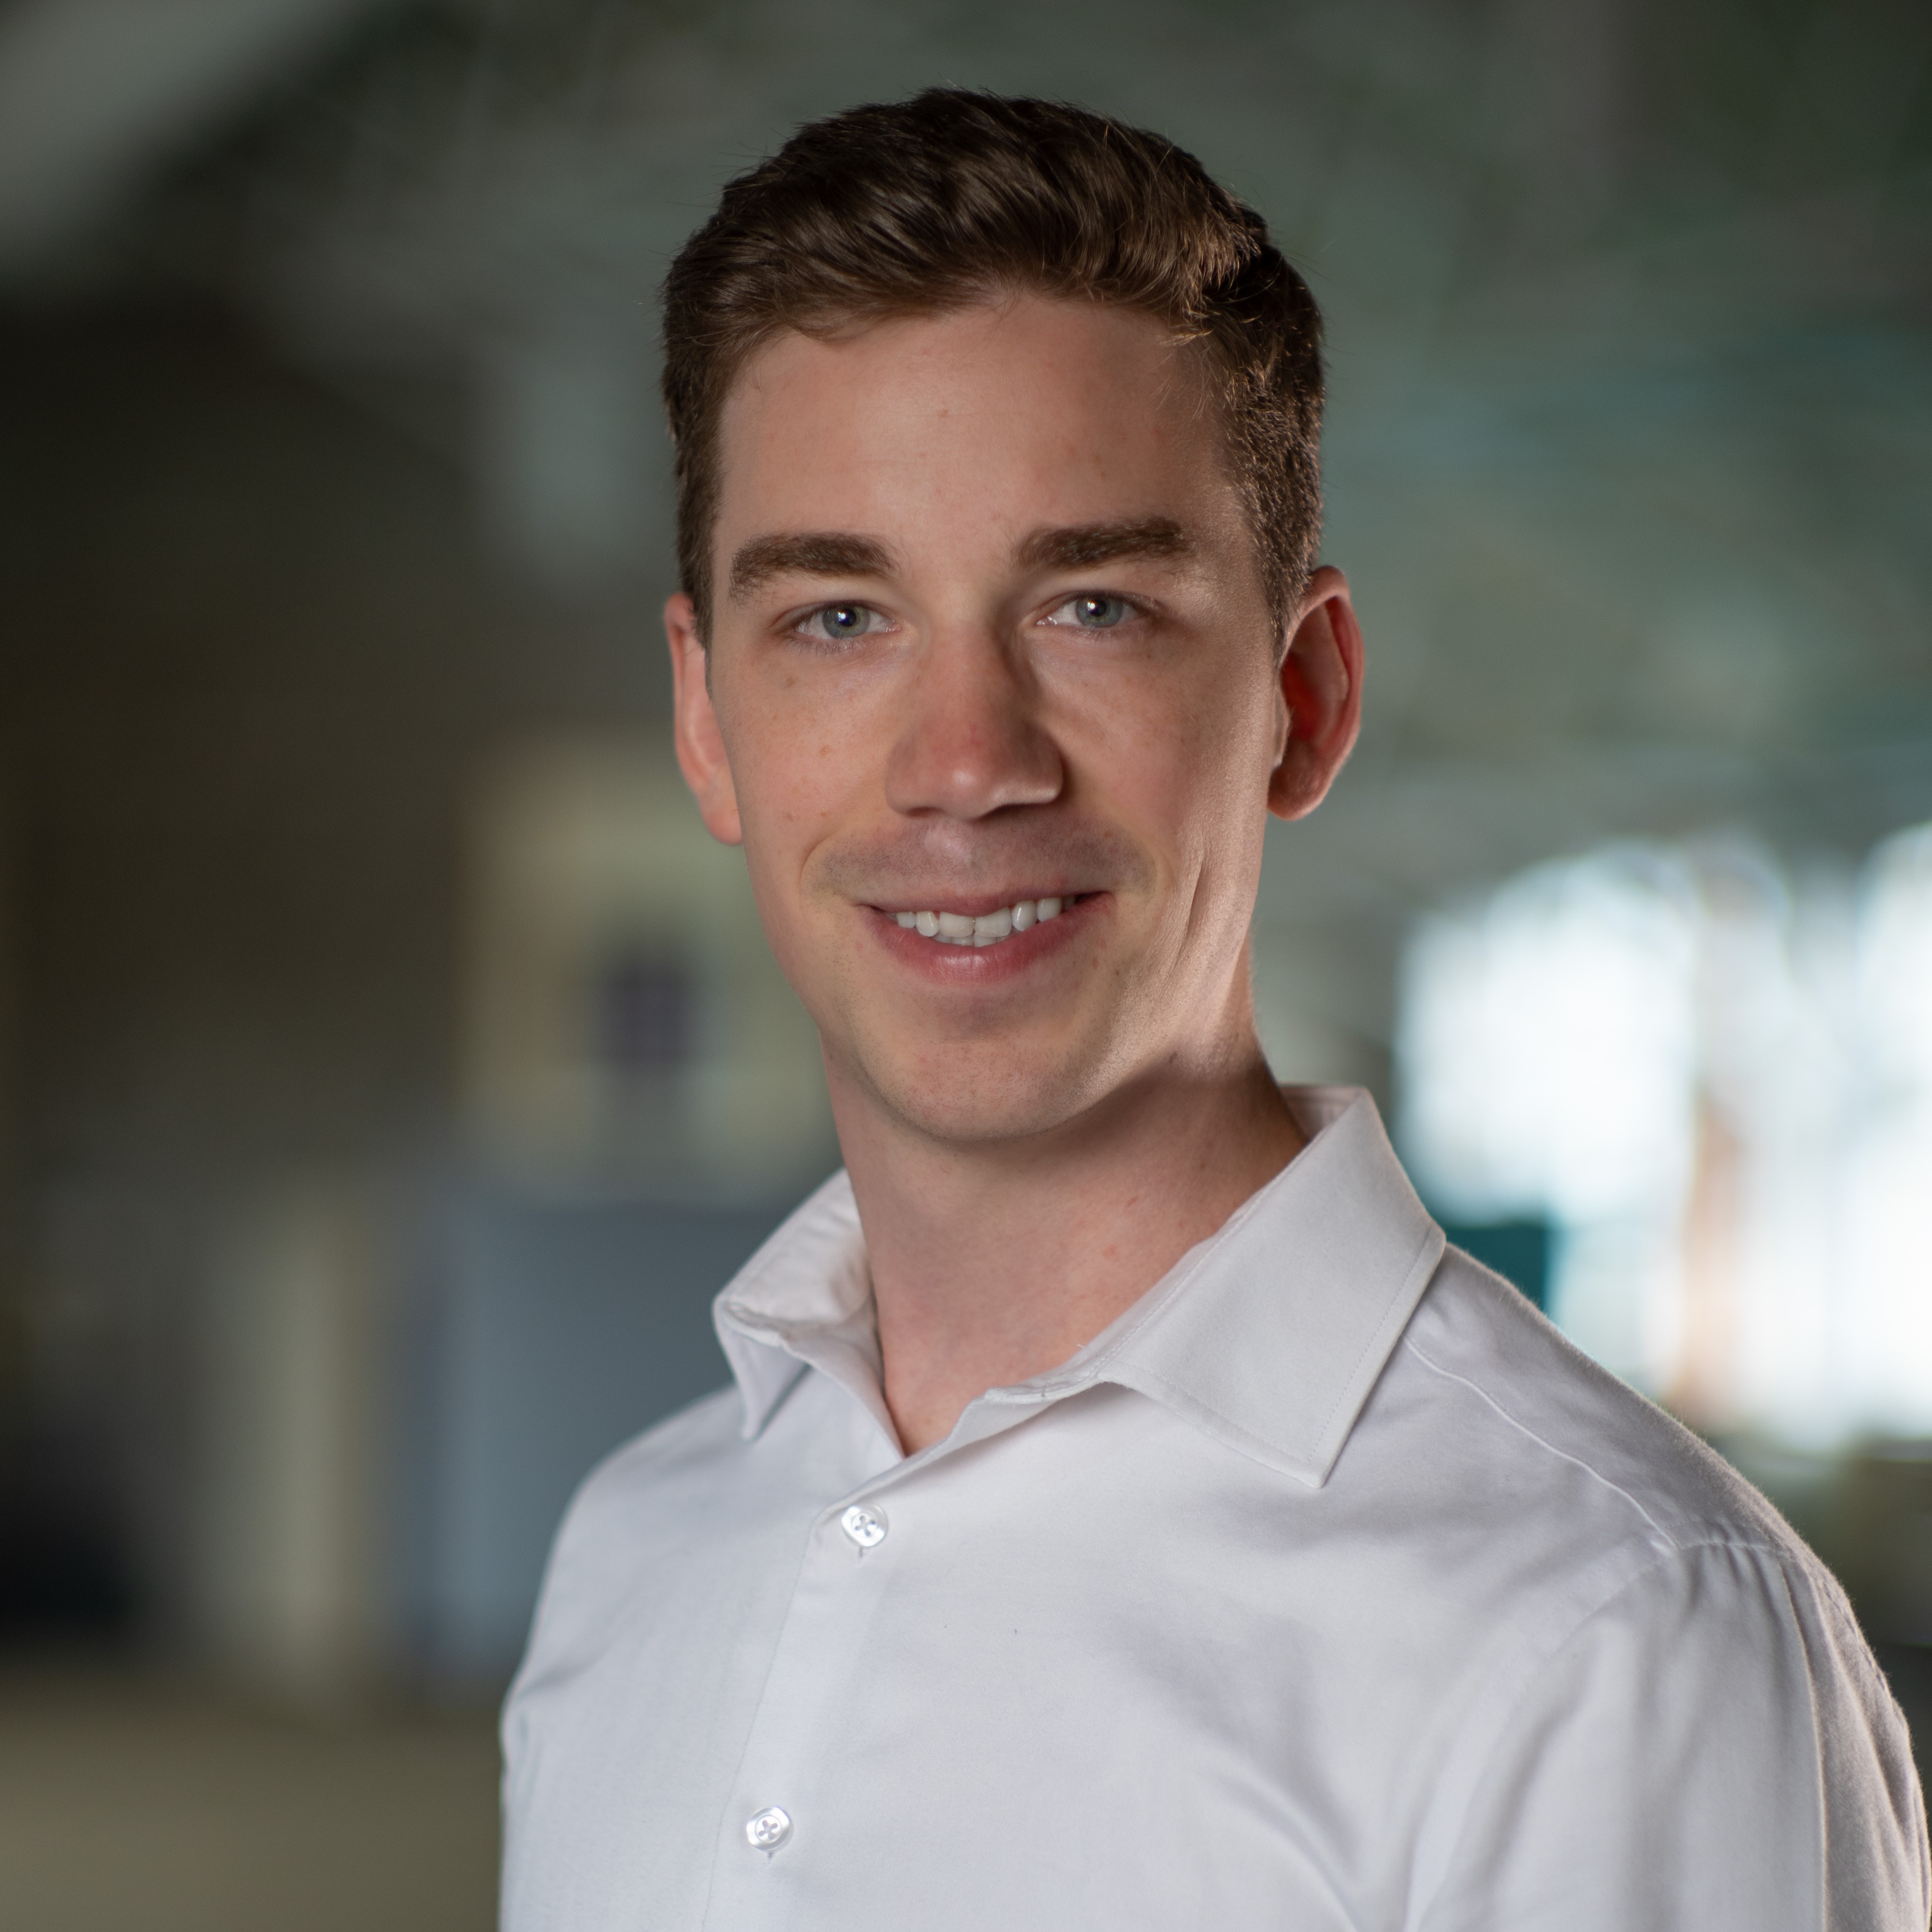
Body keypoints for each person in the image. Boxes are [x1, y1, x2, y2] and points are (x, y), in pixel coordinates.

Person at [499, 90, 1928, 1931]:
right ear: (707, 720)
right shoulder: (639, 1553)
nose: (967, 766)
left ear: (1303, 700)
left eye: (1092, 607)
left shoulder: (1611, 1640)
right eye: (841, 619)